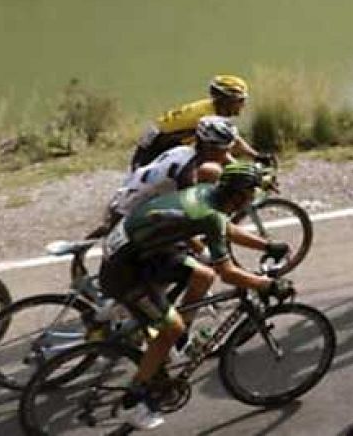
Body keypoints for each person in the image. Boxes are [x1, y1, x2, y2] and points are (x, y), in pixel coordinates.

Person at [99, 162, 292, 430]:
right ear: (235, 196)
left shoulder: (208, 193)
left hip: (145, 252)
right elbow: (228, 273)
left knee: (203, 276)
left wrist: (267, 245)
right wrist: (267, 285)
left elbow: (224, 228)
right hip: (125, 271)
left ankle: (177, 342)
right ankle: (132, 402)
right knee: (170, 326)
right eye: (248, 197)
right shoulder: (209, 214)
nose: (249, 203)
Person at [93, 116, 240, 238]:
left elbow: (230, 162)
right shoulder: (187, 172)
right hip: (133, 208)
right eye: (224, 150)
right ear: (210, 147)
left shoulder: (185, 151)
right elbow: (193, 210)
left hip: (130, 194)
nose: (227, 154)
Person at [131, 75, 256, 170]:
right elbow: (221, 151)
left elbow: (232, 138)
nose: (243, 105)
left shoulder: (211, 109)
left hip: (161, 144)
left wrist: (255, 156)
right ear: (225, 100)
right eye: (239, 101)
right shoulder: (206, 117)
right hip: (155, 151)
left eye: (243, 100)